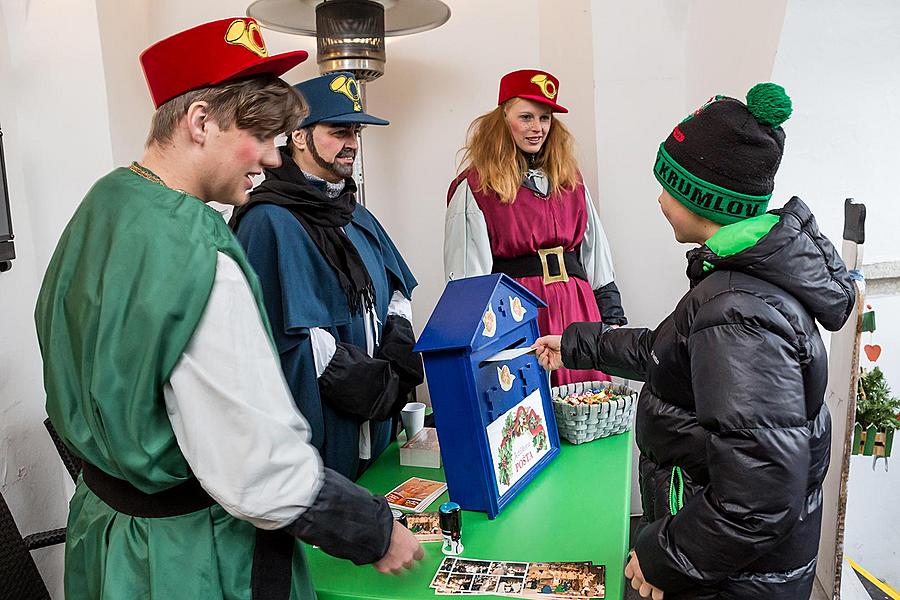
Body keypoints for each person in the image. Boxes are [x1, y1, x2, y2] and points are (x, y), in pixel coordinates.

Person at [34, 18, 422, 600]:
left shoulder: (102, 205)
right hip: (189, 558)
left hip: (110, 538)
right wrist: (373, 530)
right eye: (261, 134)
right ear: (200, 122)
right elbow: (254, 467)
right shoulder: (201, 254)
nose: (271, 156)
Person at [533, 84, 856, 599]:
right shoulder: (735, 285)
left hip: (731, 577)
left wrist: (668, 555)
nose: (659, 199)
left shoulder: (739, 314)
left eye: (668, 186)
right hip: (730, 561)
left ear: (701, 197)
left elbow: (758, 499)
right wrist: (577, 345)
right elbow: (667, 352)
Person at [230, 72, 422, 481]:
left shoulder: (355, 211)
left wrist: (396, 352)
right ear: (299, 136)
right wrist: (368, 385)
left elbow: (394, 291)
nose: (352, 142)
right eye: (338, 131)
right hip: (327, 423)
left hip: (377, 421)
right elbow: (288, 333)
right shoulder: (268, 221)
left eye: (355, 132)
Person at [444, 68, 626, 386]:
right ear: (502, 119)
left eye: (545, 118)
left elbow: (596, 254)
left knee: (586, 411)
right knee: (528, 417)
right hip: (517, 314)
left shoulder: (571, 181)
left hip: (577, 309)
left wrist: (610, 321)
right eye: (526, 117)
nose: (537, 128)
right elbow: (467, 282)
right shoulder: (474, 187)